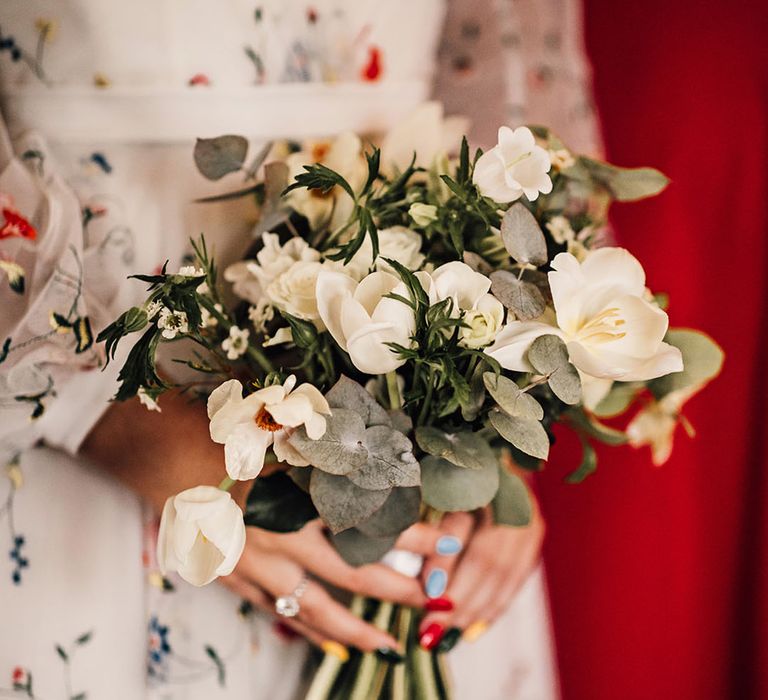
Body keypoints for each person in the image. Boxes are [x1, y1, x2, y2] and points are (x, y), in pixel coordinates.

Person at [0, 1, 598, 697]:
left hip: (415, 359)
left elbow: (509, 84)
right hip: (76, 359)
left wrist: (490, 413)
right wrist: (106, 416)